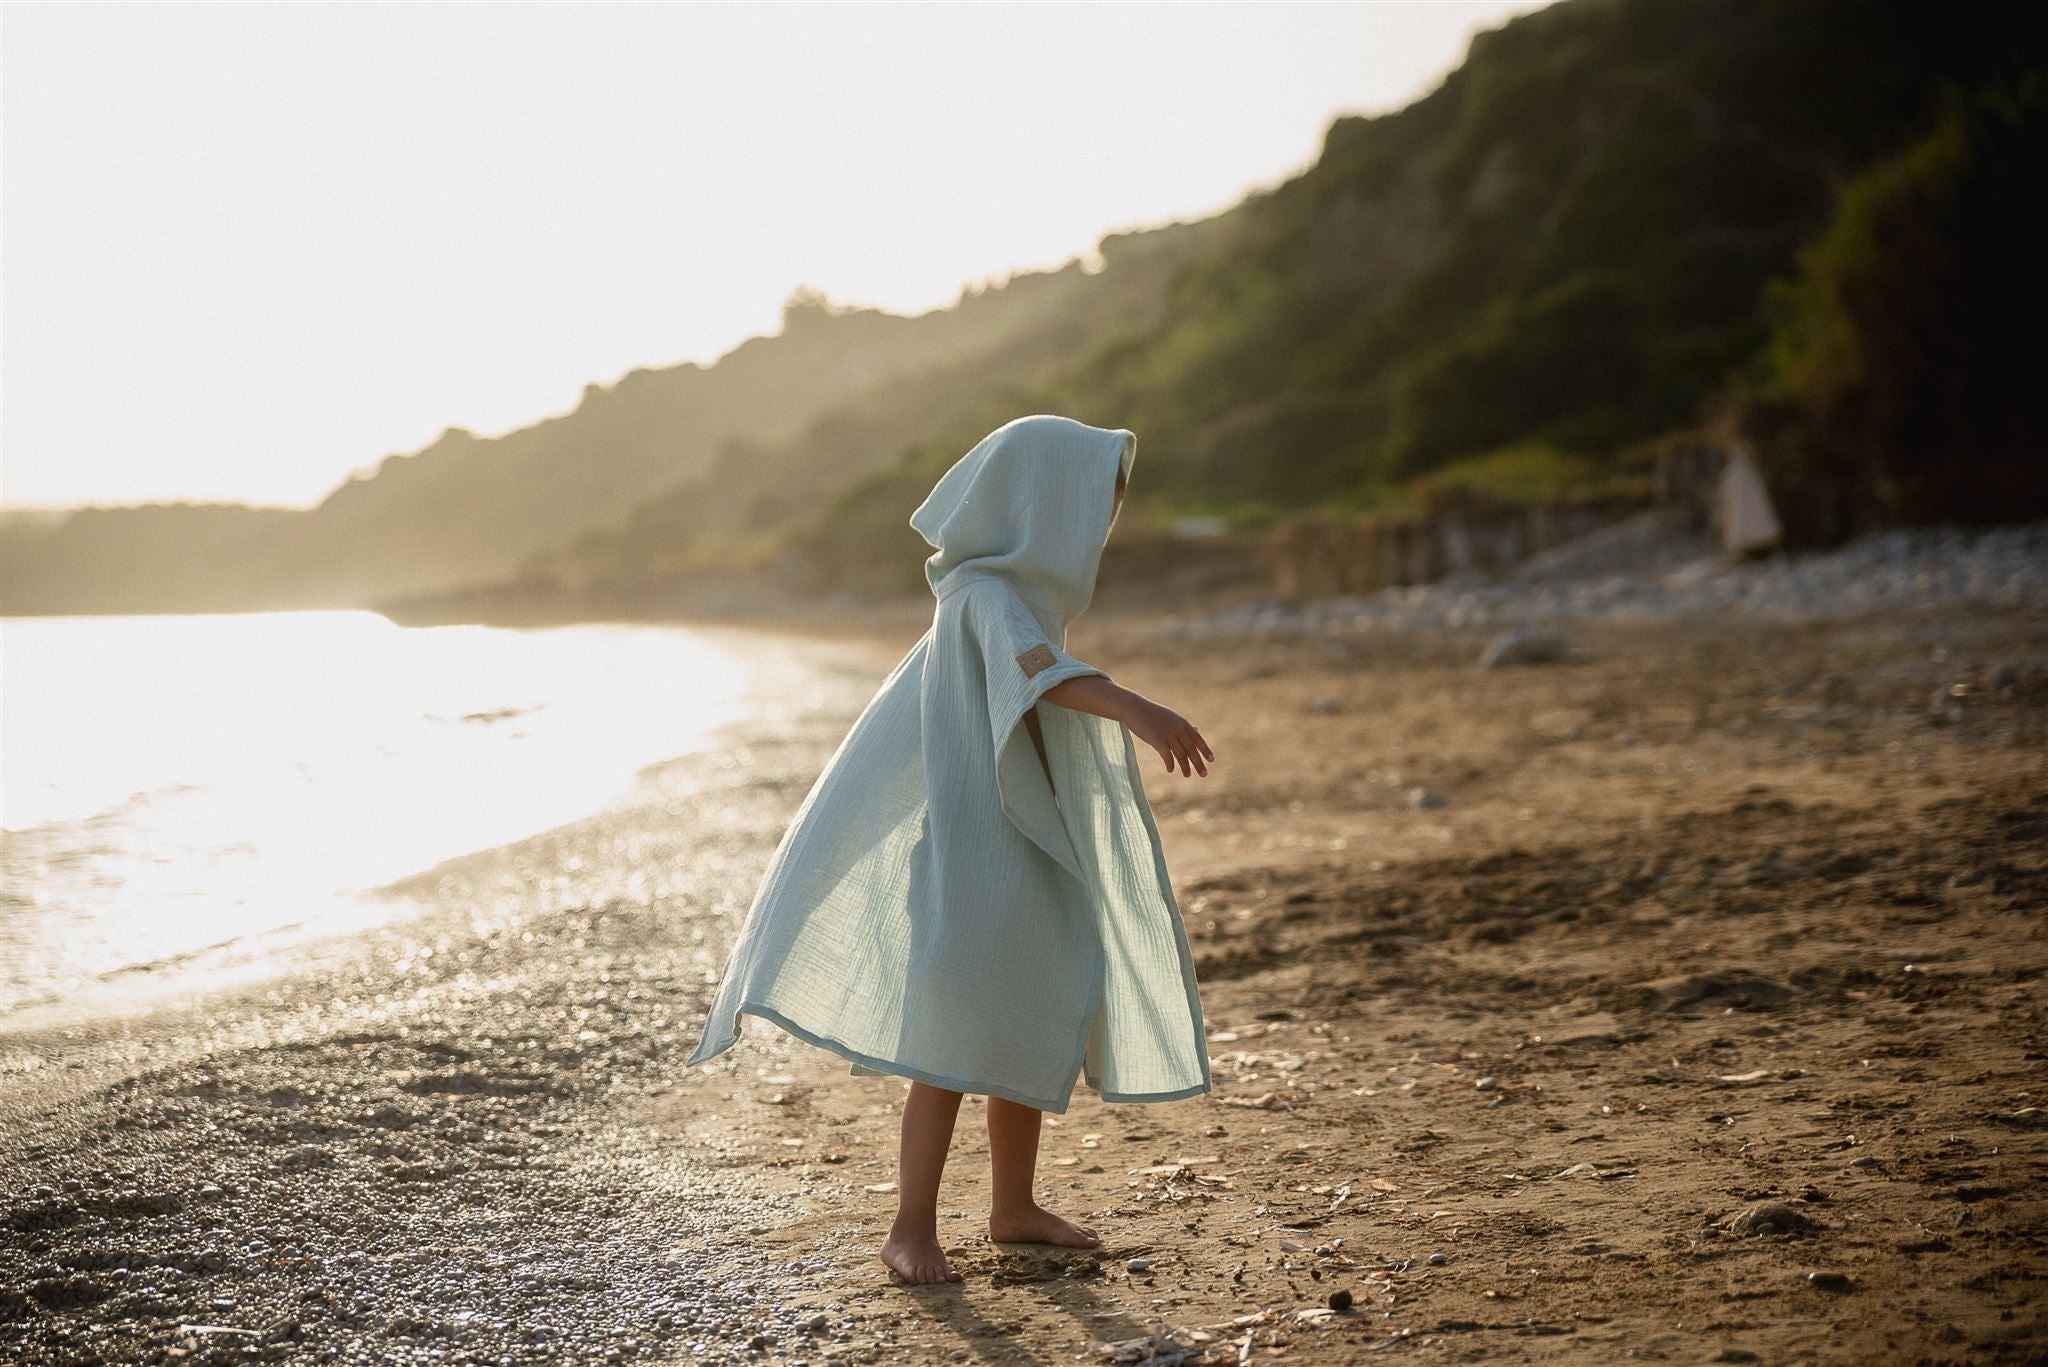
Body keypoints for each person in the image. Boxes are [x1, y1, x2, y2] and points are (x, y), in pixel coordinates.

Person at [685, 415, 1215, 1286]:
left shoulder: (1009, 595)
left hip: (1028, 846)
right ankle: (910, 1224)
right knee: (950, 1044)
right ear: (1034, 506)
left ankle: (1014, 1205)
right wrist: (1138, 709)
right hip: (976, 858)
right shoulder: (984, 597)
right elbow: (1040, 675)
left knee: (1027, 1014)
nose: (1104, 524)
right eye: (1093, 505)